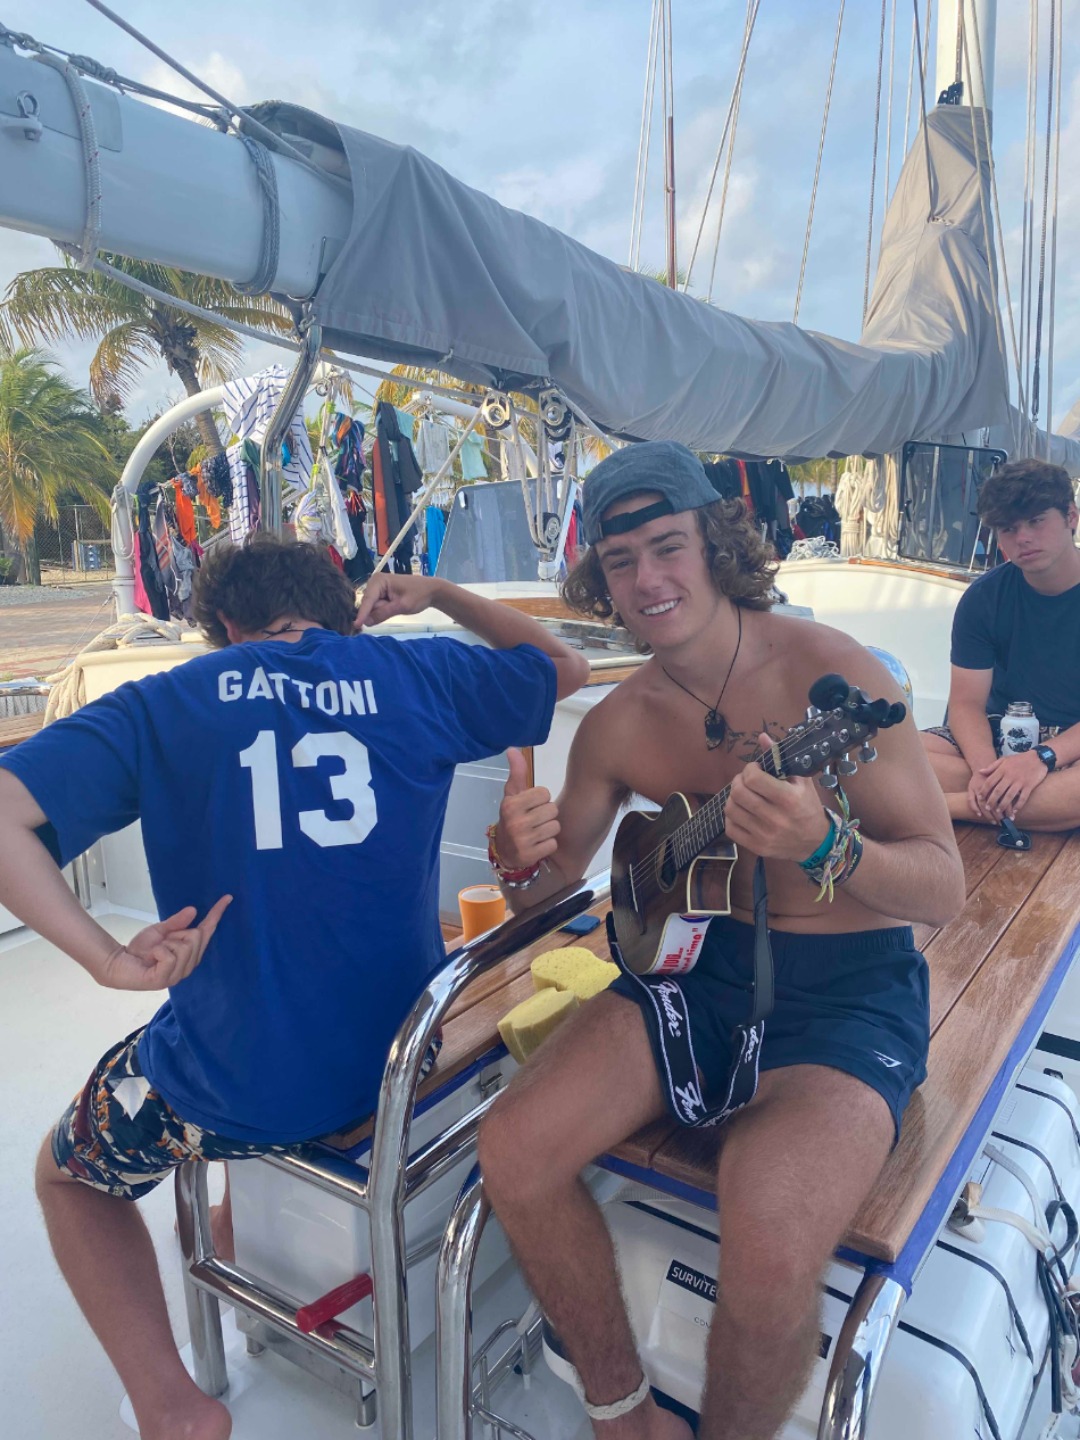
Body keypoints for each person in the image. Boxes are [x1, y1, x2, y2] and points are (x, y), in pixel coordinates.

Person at [0, 534, 589, 1440]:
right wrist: (437, 591)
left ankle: (172, 1407)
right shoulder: (420, 674)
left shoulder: (171, 700)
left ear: (226, 628)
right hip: (396, 1063)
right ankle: (243, 1233)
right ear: (341, 614)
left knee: (67, 1176)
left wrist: (104, 959)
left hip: (244, 1085)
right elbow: (564, 666)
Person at [477, 441, 964, 1440]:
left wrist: (828, 846)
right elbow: (561, 881)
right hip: (694, 971)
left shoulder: (834, 677)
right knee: (512, 1148)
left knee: (771, 1243)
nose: (647, 579)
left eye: (668, 547)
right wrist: (516, 856)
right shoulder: (617, 723)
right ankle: (623, 1415)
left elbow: (942, 885)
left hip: (846, 995)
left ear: (716, 545)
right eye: (621, 562)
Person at [921, 458, 1080, 829]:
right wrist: (985, 770)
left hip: (1071, 745)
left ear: (1071, 517)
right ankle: (1031, 806)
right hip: (998, 737)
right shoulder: (984, 598)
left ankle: (945, 807)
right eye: (1009, 528)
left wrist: (1041, 758)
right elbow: (965, 703)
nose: (1023, 538)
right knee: (883, 755)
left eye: (1036, 521)